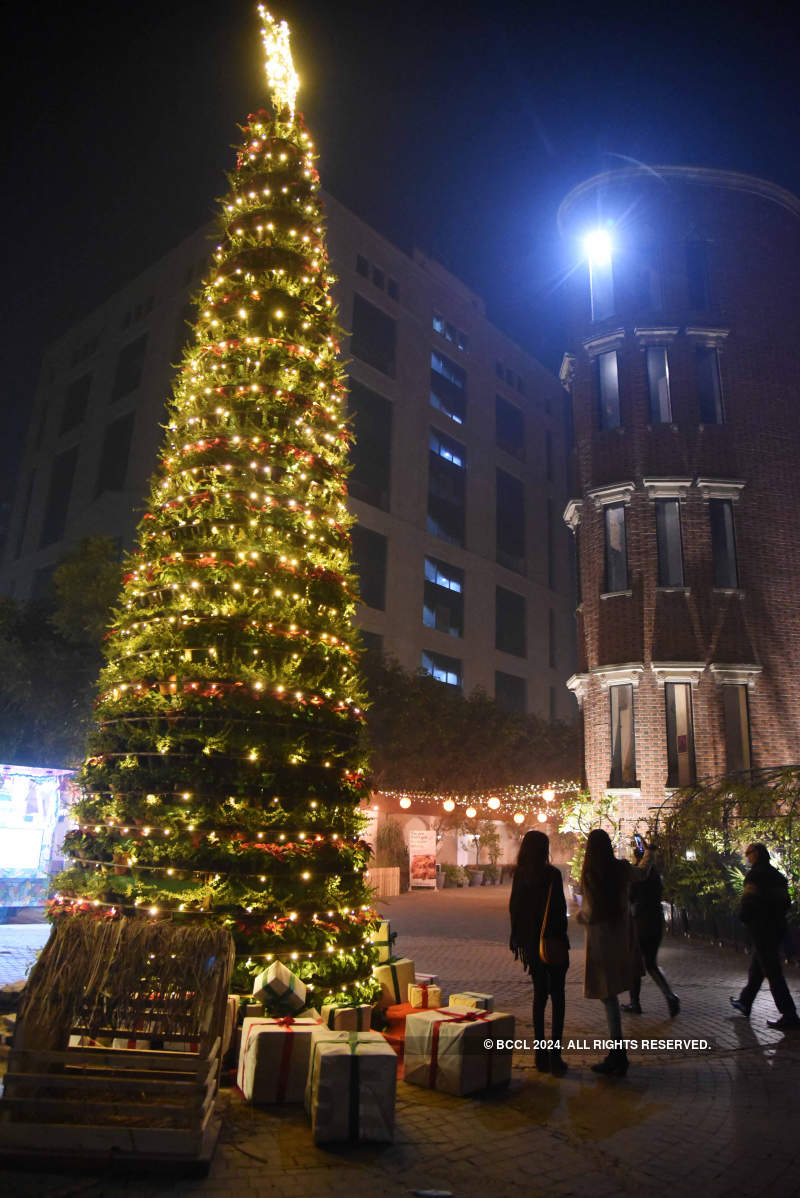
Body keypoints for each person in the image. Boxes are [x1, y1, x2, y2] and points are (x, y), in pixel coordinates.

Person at [579, 828, 648, 1076]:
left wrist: (579, 917)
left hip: (600, 937)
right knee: (614, 990)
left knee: (607, 995)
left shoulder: (591, 873)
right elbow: (642, 873)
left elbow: (589, 911)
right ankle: (618, 1052)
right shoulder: (620, 868)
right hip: (621, 934)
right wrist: (647, 853)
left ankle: (617, 1053)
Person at [509, 830, 570, 1075]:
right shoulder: (553, 875)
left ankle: (539, 1054)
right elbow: (560, 910)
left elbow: (514, 908)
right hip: (553, 943)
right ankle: (556, 1056)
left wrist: (519, 939)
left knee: (539, 997)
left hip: (532, 946)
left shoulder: (521, 876)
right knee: (558, 998)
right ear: (545, 849)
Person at [729, 842, 799, 1030]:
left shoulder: (755, 876)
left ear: (757, 854)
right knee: (758, 966)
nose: (747, 856)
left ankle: (789, 1013)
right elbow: (786, 902)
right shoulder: (777, 876)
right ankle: (745, 1001)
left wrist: (745, 918)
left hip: (761, 928)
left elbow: (748, 902)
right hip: (777, 927)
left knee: (772, 971)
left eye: (749, 853)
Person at [621, 841, 680, 1017]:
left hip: (640, 922)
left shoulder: (637, 877)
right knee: (651, 963)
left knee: (635, 963)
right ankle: (669, 995)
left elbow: (630, 897)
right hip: (656, 921)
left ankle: (635, 1003)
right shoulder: (657, 877)